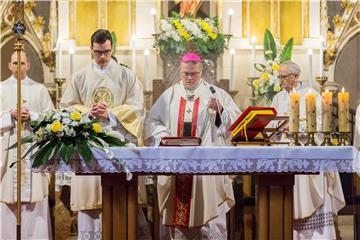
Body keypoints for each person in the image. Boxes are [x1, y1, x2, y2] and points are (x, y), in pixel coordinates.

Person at [144, 52, 241, 240]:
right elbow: (151, 123)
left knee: (210, 224)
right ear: (180, 72)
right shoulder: (170, 95)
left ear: (201, 72)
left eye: (193, 74)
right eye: (185, 74)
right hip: (176, 166)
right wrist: (164, 137)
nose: (189, 78)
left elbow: (237, 124)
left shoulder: (215, 94)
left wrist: (221, 111)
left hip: (206, 170)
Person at [60, 29, 145, 239]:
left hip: (118, 145)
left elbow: (138, 107)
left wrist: (111, 114)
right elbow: (66, 107)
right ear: (91, 49)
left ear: (112, 48)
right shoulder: (79, 77)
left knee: (121, 203)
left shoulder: (127, 75)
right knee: (91, 208)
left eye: (106, 52)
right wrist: (87, 113)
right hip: (89, 145)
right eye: (98, 52)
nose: (103, 57)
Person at [271, 61, 345, 239]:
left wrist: (297, 129)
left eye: (283, 77)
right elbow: (271, 123)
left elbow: (320, 123)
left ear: (295, 77)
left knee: (313, 201)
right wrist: (277, 127)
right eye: (279, 77)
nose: (280, 81)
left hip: (307, 155)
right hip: (285, 157)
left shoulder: (311, 95)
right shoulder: (278, 98)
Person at [0, 50, 54, 239]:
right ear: (9, 66)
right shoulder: (1, 88)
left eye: (22, 63)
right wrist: (8, 116)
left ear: (28, 65)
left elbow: (51, 119)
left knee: (34, 204)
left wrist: (33, 116)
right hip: (7, 156)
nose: (18, 67)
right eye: (15, 63)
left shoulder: (39, 89)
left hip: (32, 151)